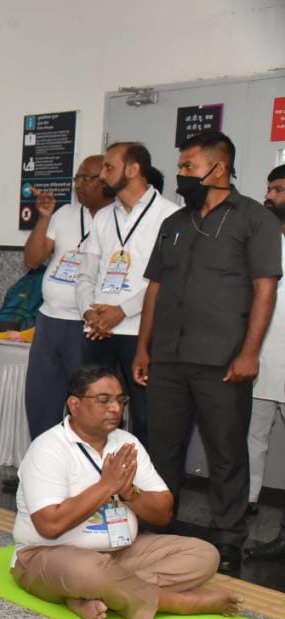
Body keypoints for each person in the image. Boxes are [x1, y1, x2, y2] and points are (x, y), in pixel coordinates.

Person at [133, 132, 282, 574]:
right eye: (180, 166)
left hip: (222, 360)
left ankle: (228, 537)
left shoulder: (255, 219)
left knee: (226, 452)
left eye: (189, 167)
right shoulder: (174, 223)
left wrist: (249, 353)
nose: (181, 174)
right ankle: (157, 526)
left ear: (218, 169)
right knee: (162, 449)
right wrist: (143, 347)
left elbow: (265, 290)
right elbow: (155, 289)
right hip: (168, 358)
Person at [13, 365, 236, 619]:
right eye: (104, 400)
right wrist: (106, 486)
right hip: (49, 554)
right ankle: (176, 602)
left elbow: (164, 512)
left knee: (204, 555)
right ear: (74, 404)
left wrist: (131, 494)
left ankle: (94, 594)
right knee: (88, 571)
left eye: (121, 400)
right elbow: (49, 526)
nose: (115, 408)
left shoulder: (127, 443)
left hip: (120, 553)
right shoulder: (48, 448)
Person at [77, 143, 178, 446]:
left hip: (140, 331)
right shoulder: (103, 217)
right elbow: (85, 274)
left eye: (109, 168)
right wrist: (89, 313)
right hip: (99, 331)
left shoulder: (170, 215)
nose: (102, 175)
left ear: (133, 170)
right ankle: (95, 471)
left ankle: (141, 475)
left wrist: (122, 311)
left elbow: (167, 279)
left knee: (146, 416)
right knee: (93, 413)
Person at [23, 156, 114, 438]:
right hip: (50, 319)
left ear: (106, 180)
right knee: (41, 400)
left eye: (87, 178)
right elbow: (33, 259)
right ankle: (43, 457)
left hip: (86, 326)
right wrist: (44, 218)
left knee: (90, 406)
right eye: (77, 178)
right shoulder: (64, 214)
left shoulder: (118, 219)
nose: (79, 185)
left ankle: (87, 462)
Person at [245, 166, 285, 557]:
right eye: (269, 188)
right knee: (251, 436)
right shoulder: (260, 237)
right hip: (258, 358)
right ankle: (248, 500)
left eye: (278, 189)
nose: (270, 196)